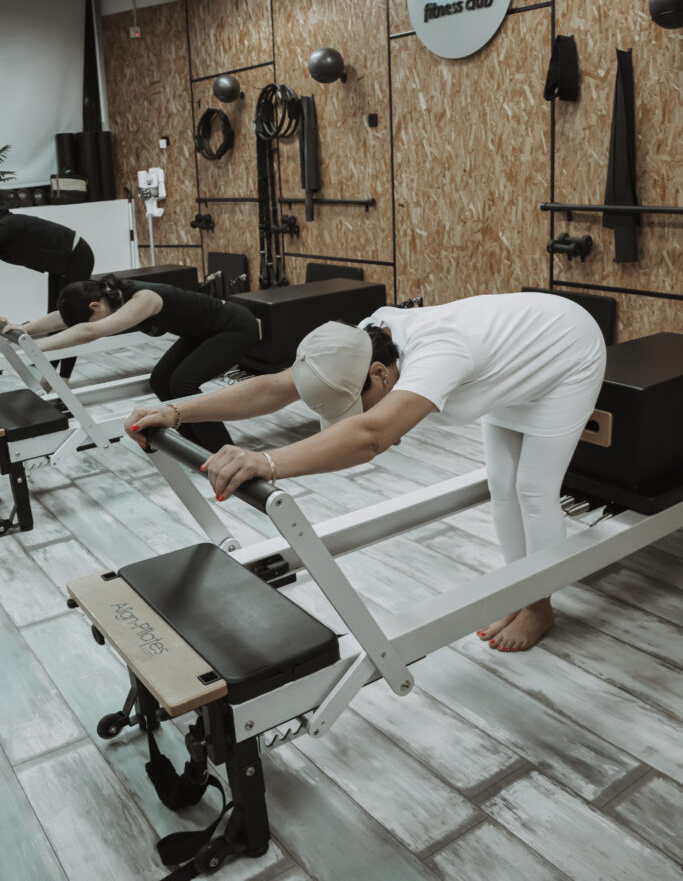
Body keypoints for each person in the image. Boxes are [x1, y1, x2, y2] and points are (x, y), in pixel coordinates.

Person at [124, 291, 606, 652]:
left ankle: (539, 607)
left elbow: (371, 436)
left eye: (360, 402)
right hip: (509, 362)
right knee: (503, 485)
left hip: (564, 351)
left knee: (533, 489)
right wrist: (178, 411)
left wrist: (266, 462)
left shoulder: (438, 355)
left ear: (380, 374)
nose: (357, 414)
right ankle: (521, 590)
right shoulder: (352, 345)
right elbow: (274, 387)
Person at [2, 273, 259, 452]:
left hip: (234, 327)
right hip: (202, 332)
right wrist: (25, 329)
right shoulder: (106, 295)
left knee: (182, 383)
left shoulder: (143, 299)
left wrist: (34, 346)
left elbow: (89, 331)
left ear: (95, 305)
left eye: (89, 316)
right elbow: (63, 318)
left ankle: (224, 452)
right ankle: (196, 446)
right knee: (161, 381)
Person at [0, 209, 95, 378]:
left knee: (70, 318)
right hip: (59, 263)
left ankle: (64, 377)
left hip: (77, 254)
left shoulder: (6, 226)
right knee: (54, 314)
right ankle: (51, 368)